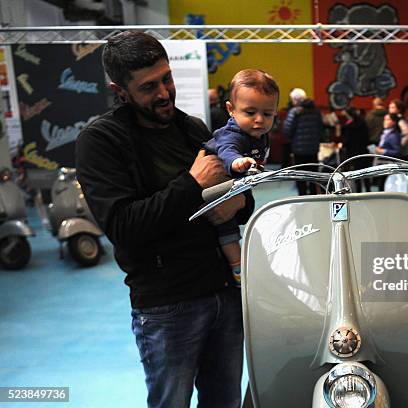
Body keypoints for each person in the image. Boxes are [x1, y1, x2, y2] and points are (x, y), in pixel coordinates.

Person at [75, 31, 253, 408]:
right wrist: (192, 184)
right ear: (119, 90)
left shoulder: (191, 128)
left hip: (224, 293)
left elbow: (244, 198)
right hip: (167, 307)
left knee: (225, 402)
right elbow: (124, 227)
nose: (163, 93)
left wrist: (237, 203)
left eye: (166, 78)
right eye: (148, 87)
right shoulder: (101, 141)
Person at [204, 69, 279, 287]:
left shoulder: (259, 135)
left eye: (267, 114)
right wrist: (237, 161)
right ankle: (238, 268)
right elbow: (227, 149)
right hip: (213, 190)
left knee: (238, 218)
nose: (259, 120)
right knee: (226, 228)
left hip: (234, 186)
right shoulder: (233, 134)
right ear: (231, 110)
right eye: (250, 112)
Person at [282, 88, 324, 195]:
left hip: (299, 150)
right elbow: (321, 130)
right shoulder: (316, 111)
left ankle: (303, 198)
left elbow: (287, 130)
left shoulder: (295, 112)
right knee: (313, 176)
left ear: (296, 100)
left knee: (301, 176)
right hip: (313, 149)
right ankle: (314, 197)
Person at [340, 107, 371, 192]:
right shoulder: (363, 122)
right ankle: (368, 190)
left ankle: (358, 192)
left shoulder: (348, 126)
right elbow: (367, 137)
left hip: (353, 152)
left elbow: (346, 141)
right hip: (363, 151)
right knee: (366, 173)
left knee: (357, 174)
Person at [374, 113, 402, 190]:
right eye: (384, 119)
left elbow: (397, 152)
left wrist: (383, 151)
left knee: (385, 186)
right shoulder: (385, 133)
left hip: (388, 164)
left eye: (388, 119)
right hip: (382, 163)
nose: (385, 121)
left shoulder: (394, 135)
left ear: (393, 122)